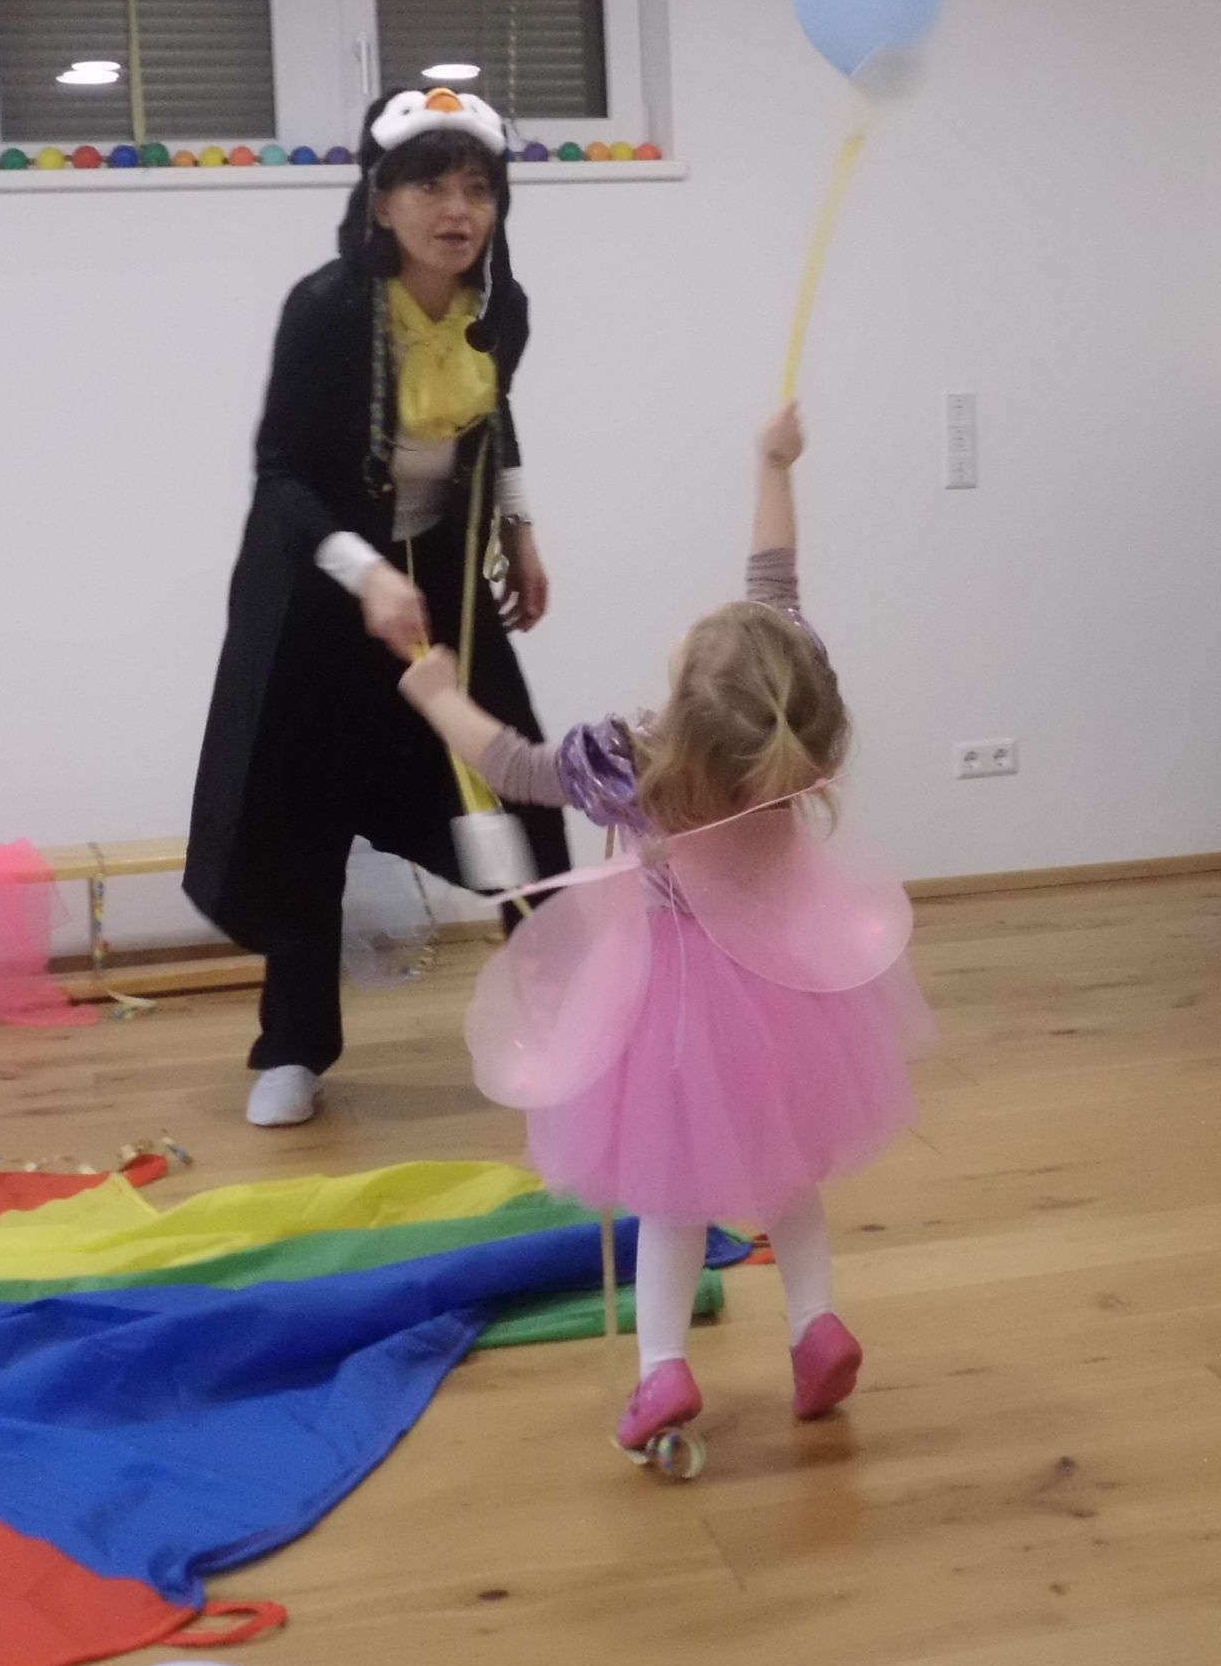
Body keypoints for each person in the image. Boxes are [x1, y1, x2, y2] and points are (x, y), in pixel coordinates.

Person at [398, 404, 930, 1451]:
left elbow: (512, 766)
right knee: (787, 1169)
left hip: (672, 1009)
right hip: (787, 996)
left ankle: (662, 1374)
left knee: (672, 1194)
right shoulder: (793, 730)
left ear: (684, 693)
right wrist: (772, 465)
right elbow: (775, 587)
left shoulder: (631, 760)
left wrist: (435, 696)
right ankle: (815, 1327)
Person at [185, 87, 570, 1128]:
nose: (458, 209)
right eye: (430, 186)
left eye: (477, 187)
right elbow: (278, 474)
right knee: (305, 816)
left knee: (523, 794)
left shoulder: (501, 309)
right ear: (381, 201)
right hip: (321, 592)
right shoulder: (326, 310)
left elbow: (493, 417)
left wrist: (519, 528)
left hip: (442, 580)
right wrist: (364, 573)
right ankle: (293, 1049)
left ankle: (563, 1025)